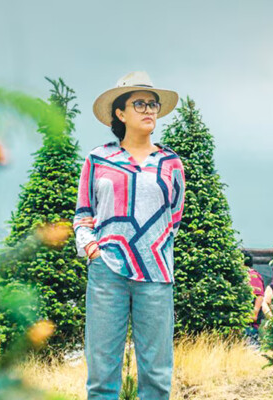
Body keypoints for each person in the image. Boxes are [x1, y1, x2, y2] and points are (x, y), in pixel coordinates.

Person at [73, 71, 185, 400]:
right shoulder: (98, 159)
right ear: (120, 113)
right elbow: (83, 214)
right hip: (107, 270)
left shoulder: (171, 163)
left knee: (157, 374)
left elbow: (174, 218)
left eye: (153, 104)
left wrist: (153, 248)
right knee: (101, 373)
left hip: (156, 272)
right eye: (140, 104)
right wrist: (93, 249)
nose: (149, 109)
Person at [243, 250, 265, 346]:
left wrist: (254, 313)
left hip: (250, 324)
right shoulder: (241, 276)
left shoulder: (252, 276)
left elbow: (259, 295)